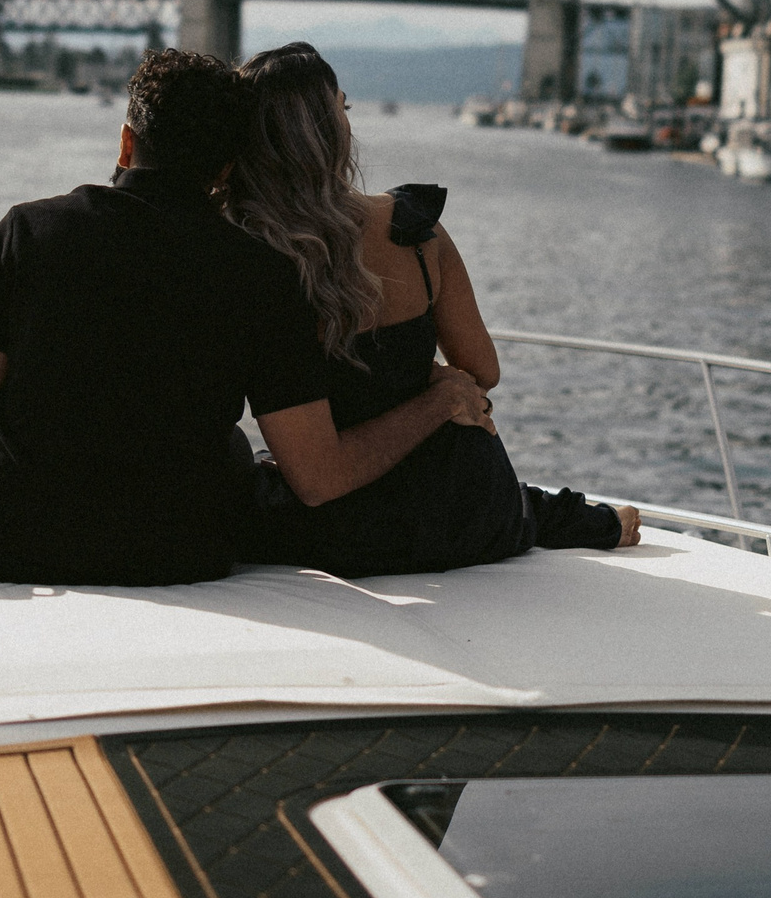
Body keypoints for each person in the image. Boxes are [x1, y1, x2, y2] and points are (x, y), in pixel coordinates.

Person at [0, 48, 494, 586]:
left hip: (14, 541)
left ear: (126, 140)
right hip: (189, 551)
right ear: (225, 164)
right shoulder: (263, 273)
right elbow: (318, 474)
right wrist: (442, 399)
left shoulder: (30, 231)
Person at [225, 42, 637, 577]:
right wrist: (438, 392)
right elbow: (482, 372)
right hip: (464, 514)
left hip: (348, 531)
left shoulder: (250, 258)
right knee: (499, 495)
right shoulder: (416, 232)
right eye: (342, 110)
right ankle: (578, 518)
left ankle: (572, 516)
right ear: (329, 134)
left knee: (257, 484)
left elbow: (315, 482)